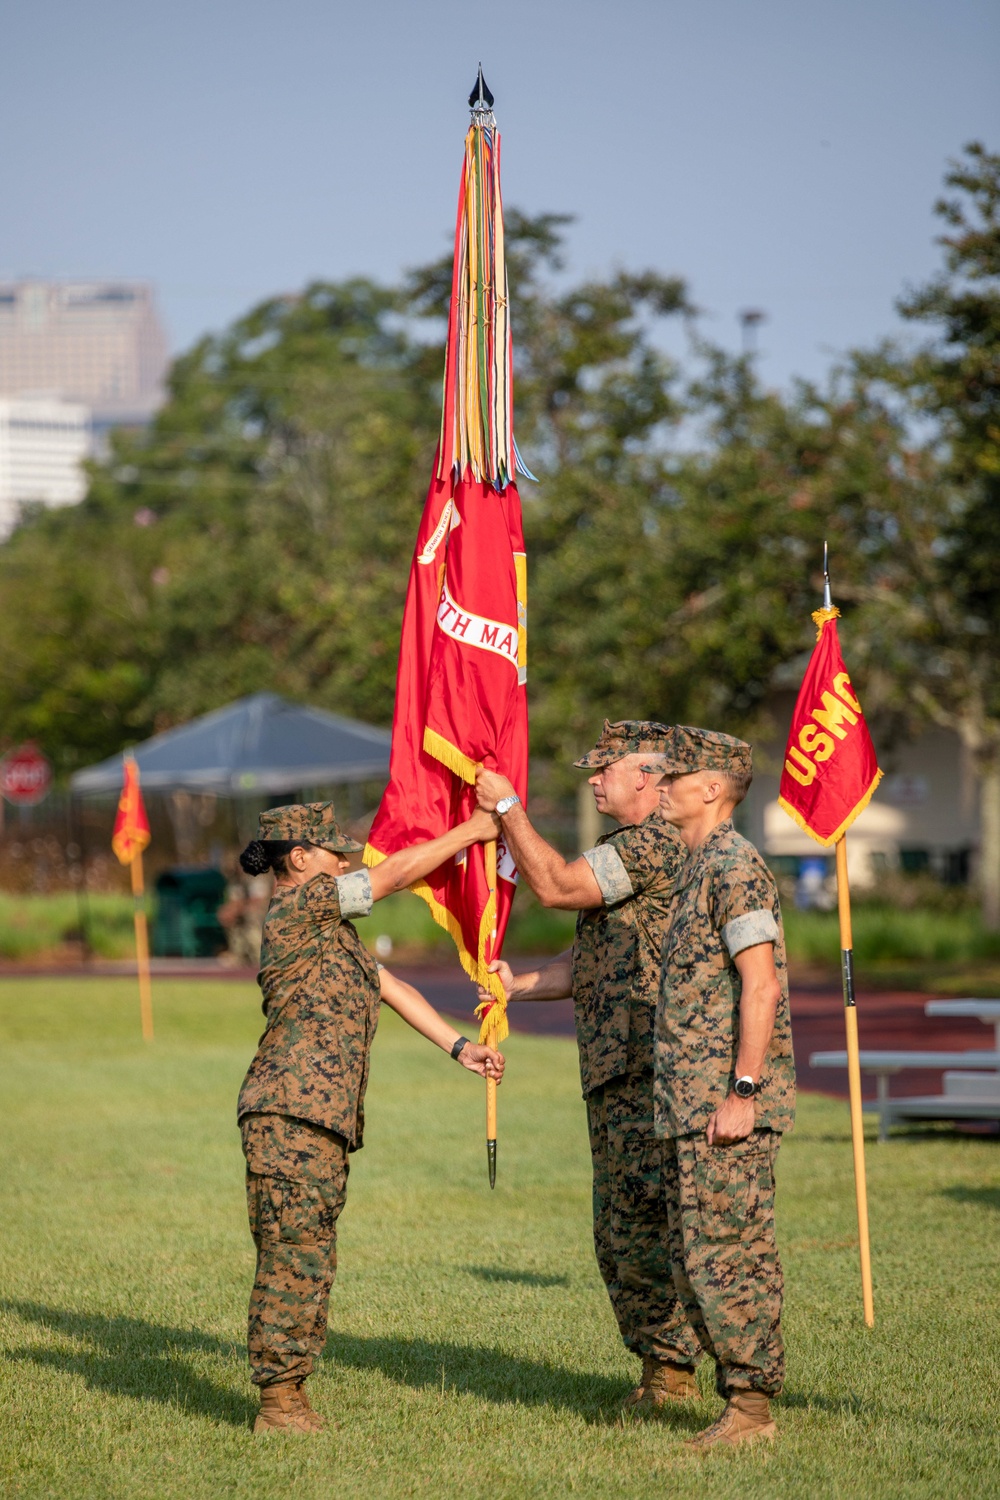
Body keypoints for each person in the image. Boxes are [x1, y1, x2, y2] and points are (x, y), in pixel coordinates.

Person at [236, 801, 505, 1434]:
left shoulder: (333, 933)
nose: (343, 861)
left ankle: (291, 1393)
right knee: (292, 1255)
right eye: (332, 853)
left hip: (319, 1120)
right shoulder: (299, 908)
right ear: (299, 860)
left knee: (313, 1254)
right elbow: (393, 876)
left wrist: (463, 1049)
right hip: (289, 1115)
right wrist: (469, 832)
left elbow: (397, 990)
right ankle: (277, 1403)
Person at [475, 721, 702, 1410]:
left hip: (652, 1068)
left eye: (606, 769)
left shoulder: (657, 841)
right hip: (615, 1070)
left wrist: (510, 807)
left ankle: (682, 1372)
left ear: (647, 777)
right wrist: (521, 986)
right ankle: (665, 1373)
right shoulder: (625, 847)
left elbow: (556, 887)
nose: (594, 779)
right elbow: (589, 958)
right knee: (619, 1230)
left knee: (648, 1226)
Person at [639, 727, 796, 1451]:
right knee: (693, 1256)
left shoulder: (735, 865)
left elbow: (760, 984)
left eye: (675, 776)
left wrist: (743, 1090)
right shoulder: (696, 868)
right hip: (689, 1105)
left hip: (723, 1105)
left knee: (729, 1253)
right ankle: (738, 1398)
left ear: (712, 788)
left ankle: (751, 1409)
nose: (660, 786)